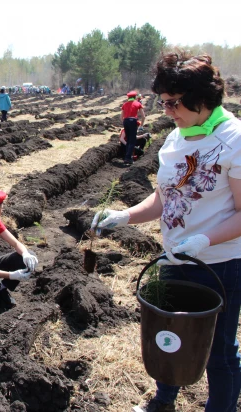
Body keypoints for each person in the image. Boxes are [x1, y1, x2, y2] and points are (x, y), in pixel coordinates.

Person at [92, 53, 241, 412]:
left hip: (219, 264)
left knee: (219, 350)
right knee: (170, 336)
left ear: (201, 98)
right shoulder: (176, 139)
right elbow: (165, 198)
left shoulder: (233, 139)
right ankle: (163, 401)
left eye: (174, 103)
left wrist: (203, 240)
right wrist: (124, 215)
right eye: (163, 103)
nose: (167, 112)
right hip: (175, 257)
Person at [120, 90, 146, 165]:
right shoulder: (138, 104)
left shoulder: (124, 104)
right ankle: (128, 158)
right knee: (132, 140)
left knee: (128, 140)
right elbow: (143, 116)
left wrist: (125, 123)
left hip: (126, 121)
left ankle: (127, 157)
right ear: (135, 97)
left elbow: (121, 117)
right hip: (133, 121)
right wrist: (141, 126)